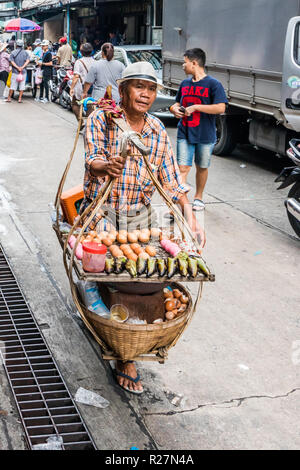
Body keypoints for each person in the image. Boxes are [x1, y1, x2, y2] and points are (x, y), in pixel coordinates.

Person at [81, 61, 206, 393]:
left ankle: (129, 338)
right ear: (123, 90)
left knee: (145, 276)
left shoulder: (156, 130)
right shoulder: (101, 119)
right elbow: (92, 160)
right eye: (139, 87)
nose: (146, 95)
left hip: (138, 216)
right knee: (107, 274)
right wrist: (106, 165)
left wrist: (190, 216)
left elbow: (172, 183)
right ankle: (124, 352)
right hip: (100, 211)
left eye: (151, 89)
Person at [170, 48, 227, 211]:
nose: (183, 65)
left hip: (205, 134)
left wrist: (196, 107)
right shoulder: (184, 84)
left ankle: (198, 197)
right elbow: (176, 103)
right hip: (185, 132)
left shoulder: (213, 84)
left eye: (185, 62)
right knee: (183, 168)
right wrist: (173, 109)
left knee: (202, 166)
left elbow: (220, 108)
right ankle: (181, 202)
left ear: (194, 63)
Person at [70, 42, 95, 126]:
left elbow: (76, 76)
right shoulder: (95, 62)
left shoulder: (79, 62)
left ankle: (81, 121)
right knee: (90, 106)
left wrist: (71, 88)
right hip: (92, 87)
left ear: (81, 52)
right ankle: (89, 125)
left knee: (75, 104)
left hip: (81, 88)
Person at [6, 39, 30, 103]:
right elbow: (28, 61)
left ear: (16, 45)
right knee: (22, 86)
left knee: (13, 85)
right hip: (23, 72)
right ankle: (19, 99)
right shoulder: (26, 52)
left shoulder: (13, 52)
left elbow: (11, 61)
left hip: (15, 72)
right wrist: (22, 67)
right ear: (22, 45)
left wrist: (17, 67)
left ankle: (9, 98)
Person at [36, 39, 53, 103]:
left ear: (47, 46)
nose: (42, 47)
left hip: (47, 71)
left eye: (43, 46)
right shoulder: (44, 53)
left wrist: (42, 64)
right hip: (43, 70)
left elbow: (51, 63)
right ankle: (40, 97)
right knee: (42, 84)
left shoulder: (49, 54)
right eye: (42, 46)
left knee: (46, 84)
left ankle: (47, 98)